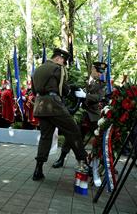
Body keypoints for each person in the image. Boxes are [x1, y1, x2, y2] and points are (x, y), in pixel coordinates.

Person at [31, 48, 88, 181]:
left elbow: (34, 90)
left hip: (40, 106)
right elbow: (62, 89)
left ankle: (38, 170)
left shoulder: (38, 69)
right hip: (54, 105)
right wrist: (72, 91)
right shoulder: (58, 68)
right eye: (64, 61)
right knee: (73, 131)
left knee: (45, 137)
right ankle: (83, 162)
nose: (64, 64)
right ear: (59, 58)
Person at [52, 61, 107, 168]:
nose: (100, 74)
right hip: (79, 113)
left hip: (92, 115)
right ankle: (62, 158)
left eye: (102, 72)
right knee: (71, 136)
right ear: (92, 69)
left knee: (99, 137)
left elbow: (98, 97)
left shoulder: (101, 84)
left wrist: (85, 95)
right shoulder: (81, 80)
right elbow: (70, 92)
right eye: (98, 71)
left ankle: (104, 163)